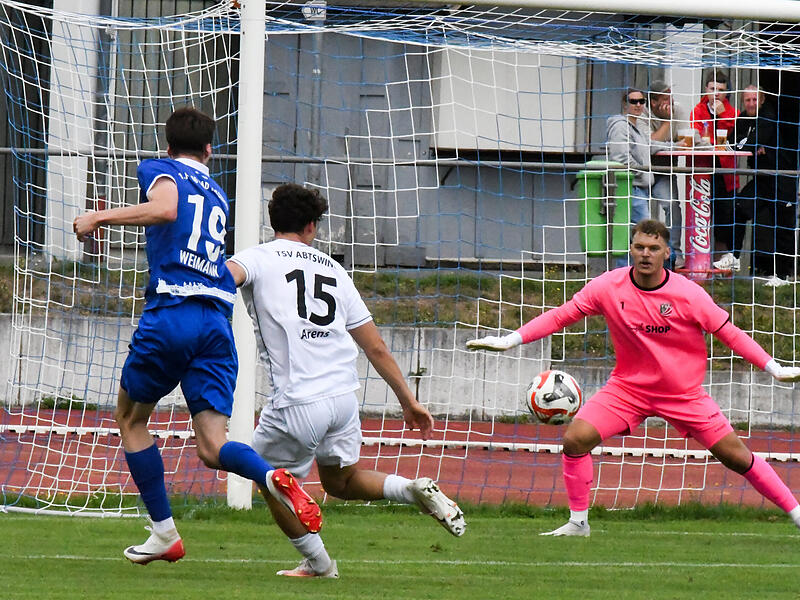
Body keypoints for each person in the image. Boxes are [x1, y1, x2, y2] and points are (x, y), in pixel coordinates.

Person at [72, 107, 321, 564]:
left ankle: (165, 533)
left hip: (175, 310)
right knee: (212, 446)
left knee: (130, 418)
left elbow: (166, 208)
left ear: (168, 148)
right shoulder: (218, 193)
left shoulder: (160, 170)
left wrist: (99, 218)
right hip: (216, 322)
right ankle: (269, 477)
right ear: (210, 150)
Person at [466, 219, 800, 537]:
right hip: (627, 389)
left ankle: (796, 514)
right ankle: (579, 523)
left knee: (737, 457)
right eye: (639, 246)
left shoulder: (689, 294)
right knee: (575, 439)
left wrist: (774, 368)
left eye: (653, 248)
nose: (645, 254)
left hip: (682, 394)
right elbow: (562, 315)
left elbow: (731, 335)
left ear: (667, 253)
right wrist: (511, 340)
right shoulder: (609, 286)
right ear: (631, 249)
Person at [226, 183, 466, 578]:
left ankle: (319, 564)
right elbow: (376, 348)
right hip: (342, 399)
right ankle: (410, 488)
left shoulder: (258, 258)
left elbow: (225, 276)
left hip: (297, 400)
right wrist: (409, 400)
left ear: (273, 220)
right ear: (311, 227)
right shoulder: (334, 270)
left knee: (266, 478)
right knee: (340, 481)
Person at [727, 86, 797, 286]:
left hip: (782, 177)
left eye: (754, 100)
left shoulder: (768, 117)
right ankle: (734, 256)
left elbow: (752, 142)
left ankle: (783, 276)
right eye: (747, 100)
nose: (751, 104)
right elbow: (732, 142)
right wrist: (750, 144)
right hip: (762, 178)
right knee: (740, 207)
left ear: (762, 100)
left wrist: (751, 143)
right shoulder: (742, 118)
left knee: (782, 225)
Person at [606, 89, 671, 268]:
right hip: (630, 188)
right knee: (640, 235)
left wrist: (676, 145)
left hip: (638, 188)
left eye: (641, 101)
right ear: (624, 103)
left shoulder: (635, 127)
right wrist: (642, 173)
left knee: (636, 235)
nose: (638, 105)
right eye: (633, 101)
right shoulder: (620, 126)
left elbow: (649, 145)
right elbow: (621, 159)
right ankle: (626, 274)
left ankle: (635, 274)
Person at [690, 70, 740, 270]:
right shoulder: (698, 109)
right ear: (706, 89)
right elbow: (694, 133)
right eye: (713, 89)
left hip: (725, 172)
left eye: (720, 90)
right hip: (703, 168)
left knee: (724, 217)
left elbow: (735, 132)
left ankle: (722, 264)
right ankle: (699, 263)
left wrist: (721, 113)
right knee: (701, 215)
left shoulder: (733, 112)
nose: (716, 94)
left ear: (727, 92)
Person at [646, 80, 690, 268]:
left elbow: (685, 137)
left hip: (664, 170)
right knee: (640, 213)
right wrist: (666, 120)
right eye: (665, 98)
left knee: (672, 205)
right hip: (641, 171)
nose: (670, 101)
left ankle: (674, 254)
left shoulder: (677, 109)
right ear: (654, 102)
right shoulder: (642, 113)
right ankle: (642, 255)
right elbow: (649, 144)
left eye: (671, 96)